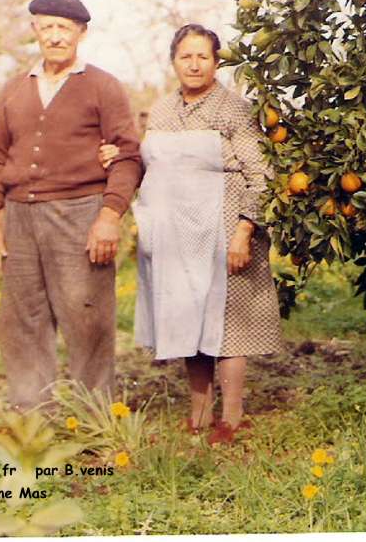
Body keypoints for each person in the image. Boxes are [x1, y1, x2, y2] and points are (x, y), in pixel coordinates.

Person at [100, 24, 282, 444]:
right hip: (178, 236)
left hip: (226, 228)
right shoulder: (161, 112)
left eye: (203, 56)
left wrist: (244, 230)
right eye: (186, 56)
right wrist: (118, 155)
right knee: (188, 318)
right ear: (174, 61)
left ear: (217, 62)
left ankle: (232, 419)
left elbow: (262, 175)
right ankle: (198, 415)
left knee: (228, 323)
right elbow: (150, 167)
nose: (195, 64)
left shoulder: (235, 110)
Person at [0, 0, 143, 410]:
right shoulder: (15, 89)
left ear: (81, 33)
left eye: (64, 28)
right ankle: (31, 418)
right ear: (35, 30)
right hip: (19, 217)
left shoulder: (103, 86)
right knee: (22, 320)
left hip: (79, 213)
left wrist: (109, 216)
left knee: (86, 319)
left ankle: (93, 419)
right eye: (47, 26)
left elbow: (127, 154)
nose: (54, 36)